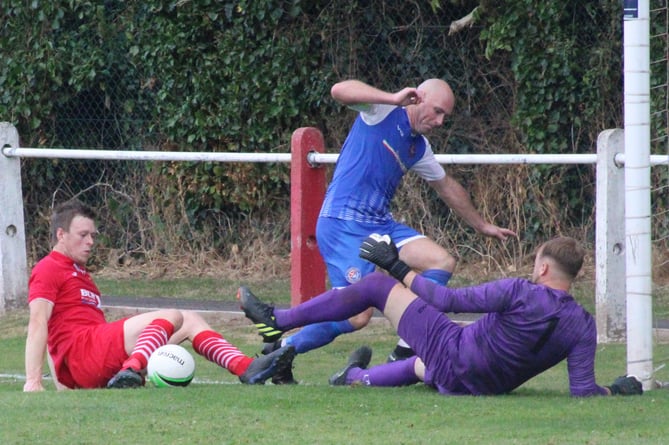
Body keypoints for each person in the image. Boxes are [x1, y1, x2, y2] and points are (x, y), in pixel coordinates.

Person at [261, 78, 516, 383]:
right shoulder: (381, 110)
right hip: (343, 223)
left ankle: (405, 351)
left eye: (445, 116)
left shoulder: (418, 147)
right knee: (357, 316)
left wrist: (482, 225)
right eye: (436, 112)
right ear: (418, 98)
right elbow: (338, 91)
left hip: (381, 225)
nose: (439, 121)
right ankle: (280, 349)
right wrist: (393, 97)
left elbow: (446, 186)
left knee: (441, 261)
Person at [239, 234, 642, 396]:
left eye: (534, 262)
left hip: (454, 356)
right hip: (479, 386)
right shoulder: (583, 326)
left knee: (378, 287)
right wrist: (619, 389)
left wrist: (395, 266)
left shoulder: (519, 291)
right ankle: (353, 378)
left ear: (542, 269)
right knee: (421, 363)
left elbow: (445, 300)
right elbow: (583, 390)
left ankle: (279, 319)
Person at [23, 199, 295, 391]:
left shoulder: (80, 273)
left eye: (93, 235)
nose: (91, 242)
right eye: (83, 235)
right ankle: (131, 369)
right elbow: (39, 324)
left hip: (95, 353)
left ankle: (246, 368)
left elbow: (58, 331)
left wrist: (64, 383)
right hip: (85, 354)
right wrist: (35, 381)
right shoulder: (48, 268)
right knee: (172, 315)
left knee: (189, 319)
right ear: (61, 234)